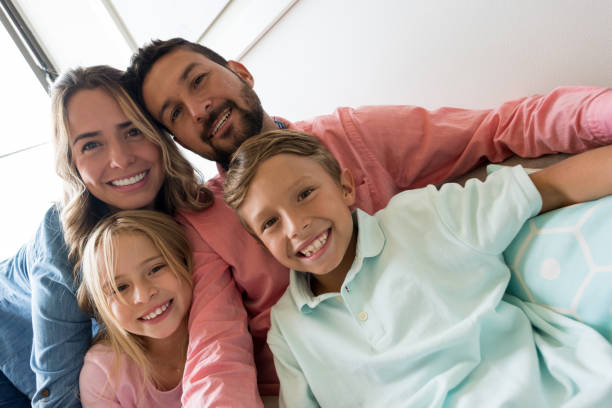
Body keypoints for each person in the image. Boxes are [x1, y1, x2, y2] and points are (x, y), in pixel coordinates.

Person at [125, 37, 612, 396]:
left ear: (239, 72)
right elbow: (217, 356)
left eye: (199, 81)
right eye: (176, 114)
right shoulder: (211, 232)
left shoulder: (361, 145)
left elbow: (500, 129)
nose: (200, 107)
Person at [223, 129, 612, 407]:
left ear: (344, 188)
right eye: (270, 223)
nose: (297, 226)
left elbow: (553, 186)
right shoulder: (289, 330)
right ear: (261, 243)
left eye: (305, 194)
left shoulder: (425, 216)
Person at [0, 65, 261, 408]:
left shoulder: (187, 203)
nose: (121, 160)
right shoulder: (61, 237)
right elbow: (57, 392)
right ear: (72, 162)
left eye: (133, 131)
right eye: (91, 145)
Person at [78, 210, 192, 407]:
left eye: (156, 269)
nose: (143, 295)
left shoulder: (223, 324)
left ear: (185, 261)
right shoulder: (103, 373)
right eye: (120, 288)